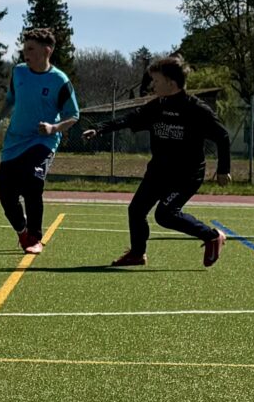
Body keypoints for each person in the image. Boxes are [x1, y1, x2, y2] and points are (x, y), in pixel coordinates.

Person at [82, 54, 233, 267]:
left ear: (171, 83)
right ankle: (137, 254)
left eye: (156, 80)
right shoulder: (156, 107)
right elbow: (128, 119)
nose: (152, 85)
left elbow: (222, 136)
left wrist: (223, 169)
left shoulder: (196, 109)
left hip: (186, 175)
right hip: (159, 171)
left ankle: (212, 236)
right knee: (136, 210)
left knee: (165, 215)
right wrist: (99, 129)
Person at [0, 27, 80, 255]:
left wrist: (53, 128)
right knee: (6, 194)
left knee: (33, 182)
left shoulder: (60, 81)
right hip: (14, 143)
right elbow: (10, 99)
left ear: (47, 51)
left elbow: (74, 115)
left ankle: (35, 237)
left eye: (31, 49)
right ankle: (22, 231)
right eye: (24, 49)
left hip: (43, 142)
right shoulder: (18, 72)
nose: (26, 54)